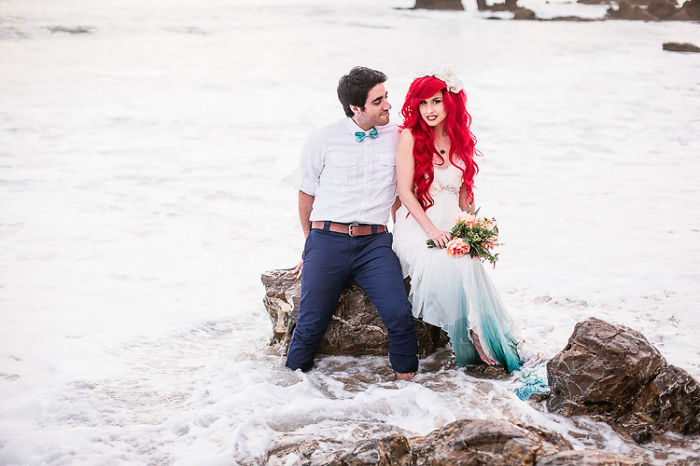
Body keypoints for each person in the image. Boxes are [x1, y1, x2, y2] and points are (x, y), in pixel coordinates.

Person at [285, 66, 419, 381]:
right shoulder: (322, 138)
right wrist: (310, 246)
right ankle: (286, 394)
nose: (388, 105)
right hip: (327, 240)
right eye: (378, 101)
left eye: (387, 97)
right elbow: (306, 194)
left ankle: (411, 396)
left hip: (375, 244)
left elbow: (403, 193)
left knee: (400, 316)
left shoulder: (399, 136)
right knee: (310, 322)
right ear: (356, 108)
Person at [392, 72, 522, 372]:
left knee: (469, 260)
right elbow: (404, 192)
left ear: (449, 101)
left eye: (436, 101)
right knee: (444, 262)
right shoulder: (409, 136)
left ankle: (482, 333)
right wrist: (432, 230)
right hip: (418, 223)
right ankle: (470, 336)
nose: (429, 109)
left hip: (452, 221)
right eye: (422, 103)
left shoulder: (459, 138)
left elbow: (465, 193)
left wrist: (472, 229)